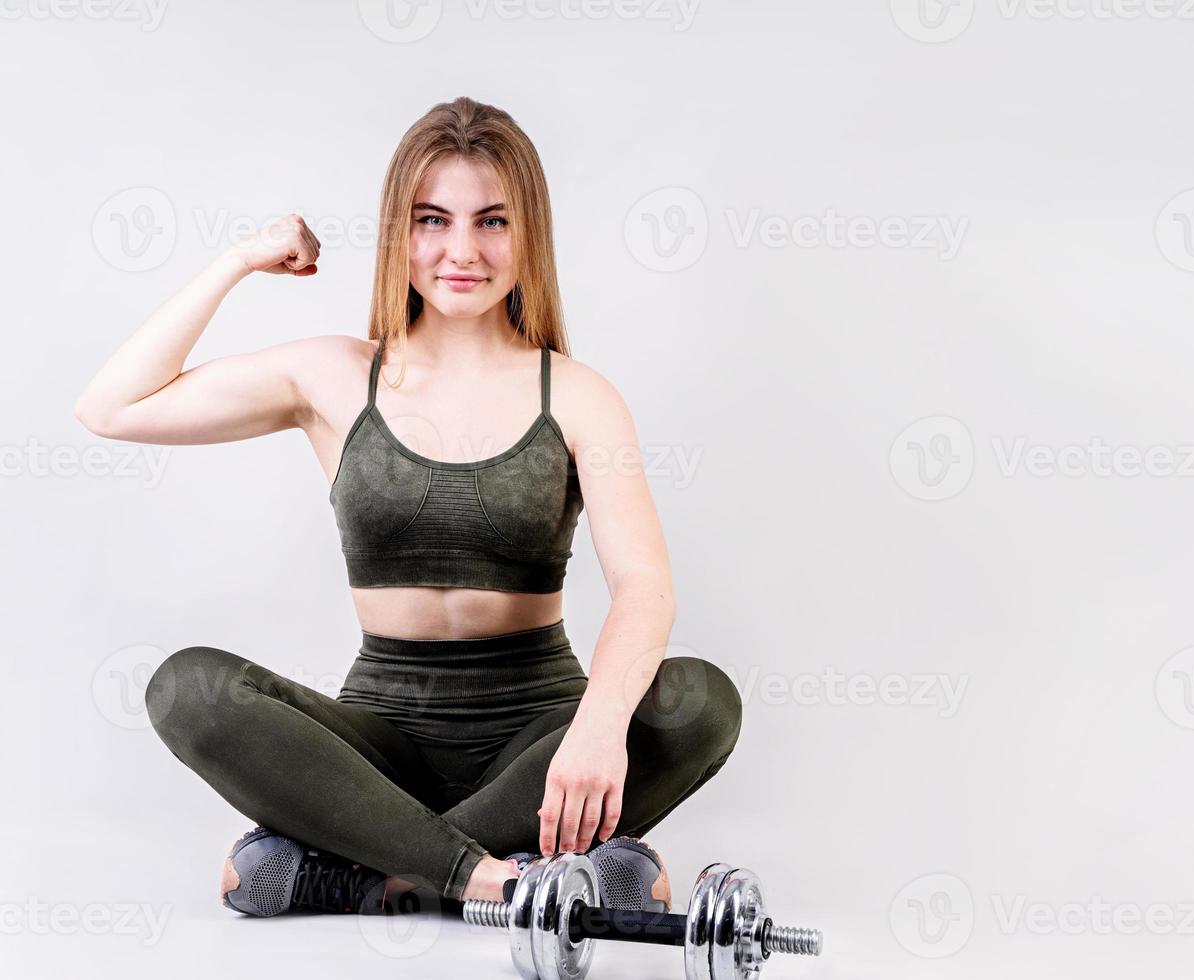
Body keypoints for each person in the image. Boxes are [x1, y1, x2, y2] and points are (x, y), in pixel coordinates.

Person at [74, 96, 742, 917]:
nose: (462, 250)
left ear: (529, 233)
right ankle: (505, 875)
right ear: (400, 233)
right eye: (433, 220)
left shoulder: (577, 396)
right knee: (185, 688)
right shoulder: (330, 377)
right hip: (376, 750)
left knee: (700, 701)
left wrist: (599, 730)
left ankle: (369, 866)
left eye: (492, 221)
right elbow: (112, 407)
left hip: (542, 740)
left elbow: (645, 588)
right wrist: (241, 259)